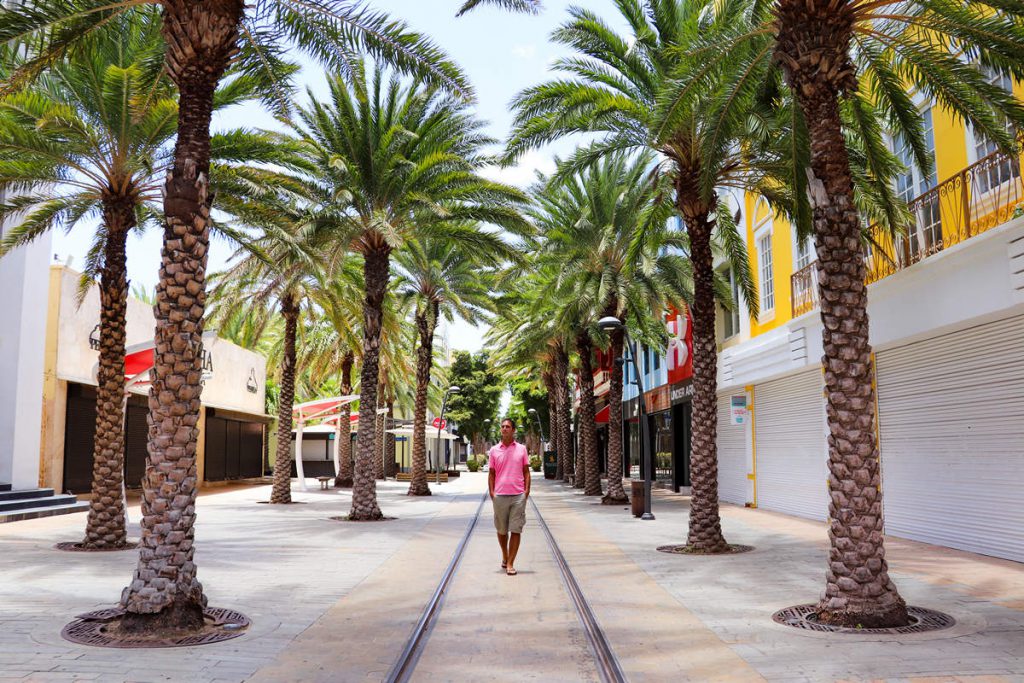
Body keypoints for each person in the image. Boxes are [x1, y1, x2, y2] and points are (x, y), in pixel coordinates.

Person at [488, 417, 531, 576]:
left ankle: (511, 563)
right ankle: (505, 555)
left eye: (508, 427)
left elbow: (526, 471)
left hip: (518, 495)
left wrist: (526, 492)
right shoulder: (494, 450)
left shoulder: (522, 449)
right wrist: (492, 492)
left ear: (513, 430)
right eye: (503, 426)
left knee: (516, 529)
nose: (505, 429)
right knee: (502, 530)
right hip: (499, 495)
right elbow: (491, 473)